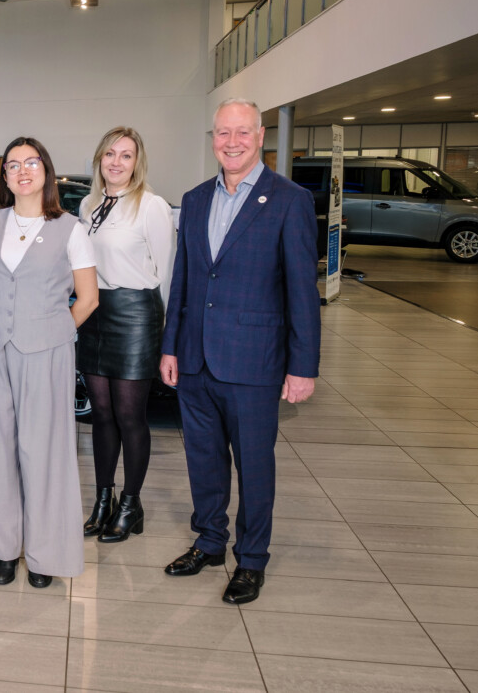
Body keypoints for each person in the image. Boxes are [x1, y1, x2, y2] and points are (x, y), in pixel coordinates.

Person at [159, 98, 320, 605]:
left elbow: (302, 291)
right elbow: (183, 281)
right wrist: (170, 348)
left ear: (261, 136)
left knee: (253, 465)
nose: (231, 142)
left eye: (241, 133)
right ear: (213, 139)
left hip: (255, 362)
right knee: (202, 460)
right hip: (195, 359)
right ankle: (210, 542)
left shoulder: (289, 200)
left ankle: (251, 560)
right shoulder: (196, 197)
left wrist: (303, 366)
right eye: (222, 133)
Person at [0, 137, 98, 589]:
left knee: (44, 452)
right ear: (4, 175)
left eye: (31, 163)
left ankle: (44, 554)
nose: (22, 171)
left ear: (46, 171)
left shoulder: (70, 228)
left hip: (47, 351)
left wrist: (53, 330)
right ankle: (4, 547)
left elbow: (89, 298)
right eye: (13, 164)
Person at [77, 127, 175, 542]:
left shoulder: (151, 206)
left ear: (137, 163)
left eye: (126, 155)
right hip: (95, 311)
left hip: (136, 314)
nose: (116, 162)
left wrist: (166, 335)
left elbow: (167, 274)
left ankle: (131, 504)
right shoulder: (88, 203)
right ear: (99, 159)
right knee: (100, 414)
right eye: (110, 154)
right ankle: (104, 499)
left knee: (130, 414)